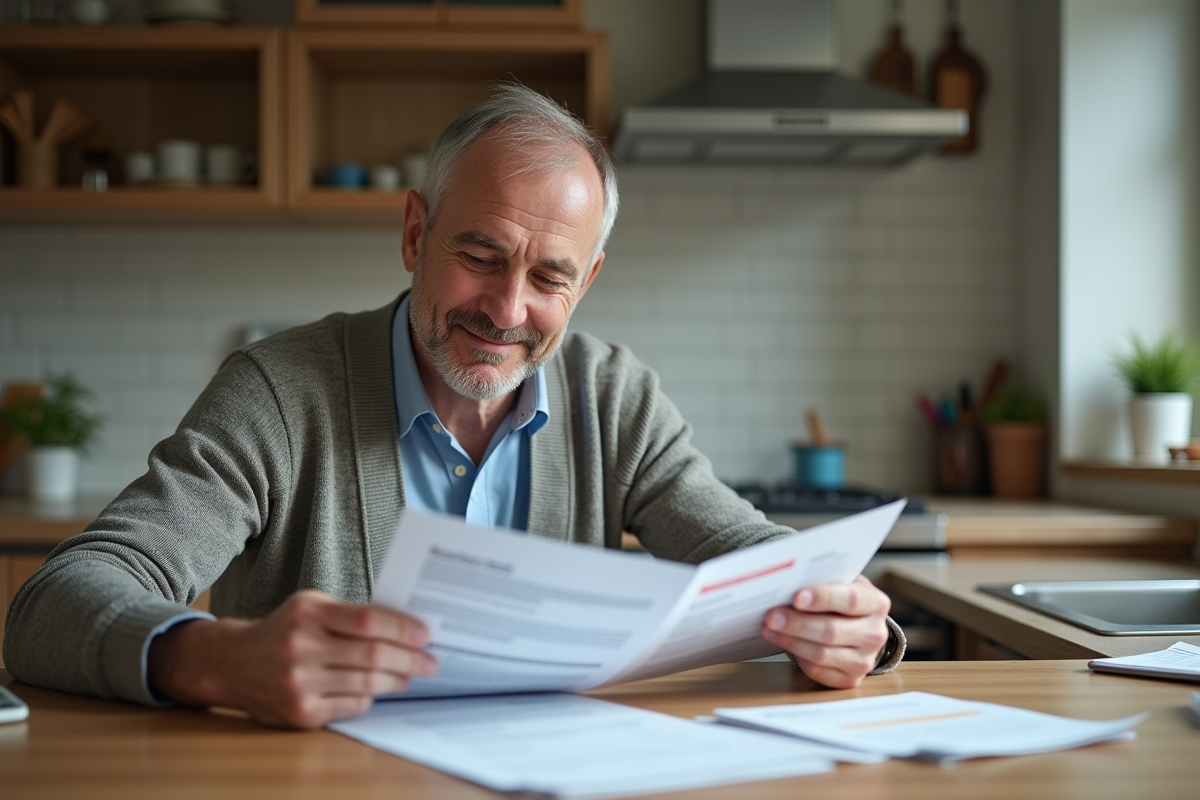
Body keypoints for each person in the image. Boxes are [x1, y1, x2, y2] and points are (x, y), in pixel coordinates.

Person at [3, 84, 902, 729]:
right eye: (480, 255)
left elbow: (753, 557)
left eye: (549, 276)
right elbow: (53, 604)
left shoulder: (615, 397)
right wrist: (210, 658)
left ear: (584, 283)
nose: (507, 311)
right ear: (414, 233)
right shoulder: (279, 391)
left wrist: (843, 618)